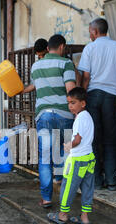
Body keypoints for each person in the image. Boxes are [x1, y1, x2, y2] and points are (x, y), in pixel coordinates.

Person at [78, 18, 116, 191]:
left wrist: (82, 99)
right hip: (112, 97)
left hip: (93, 96)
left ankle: (96, 181)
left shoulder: (90, 48)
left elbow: (86, 77)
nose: (90, 34)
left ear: (95, 32)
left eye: (90, 31)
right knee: (111, 140)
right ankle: (111, 181)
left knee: (94, 140)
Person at [31, 34, 76, 208]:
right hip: (64, 114)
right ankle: (65, 196)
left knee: (45, 158)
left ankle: (47, 198)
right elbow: (71, 92)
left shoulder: (36, 66)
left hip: (44, 115)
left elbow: (36, 86)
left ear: (48, 48)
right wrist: (78, 113)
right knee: (65, 154)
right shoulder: (66, 63)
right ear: (62, 47)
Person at [47, 87, 95, 224]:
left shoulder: (80, 118)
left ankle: (62, 215)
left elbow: (78, 139)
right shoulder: (89, 117)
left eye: (73, 103)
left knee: (68, 187)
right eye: (69, 103)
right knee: (87, 188)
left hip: (77, 160)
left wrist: (69, 145)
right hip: (89, 158)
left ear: (83, 103)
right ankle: (85, 217)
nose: (70, 106)